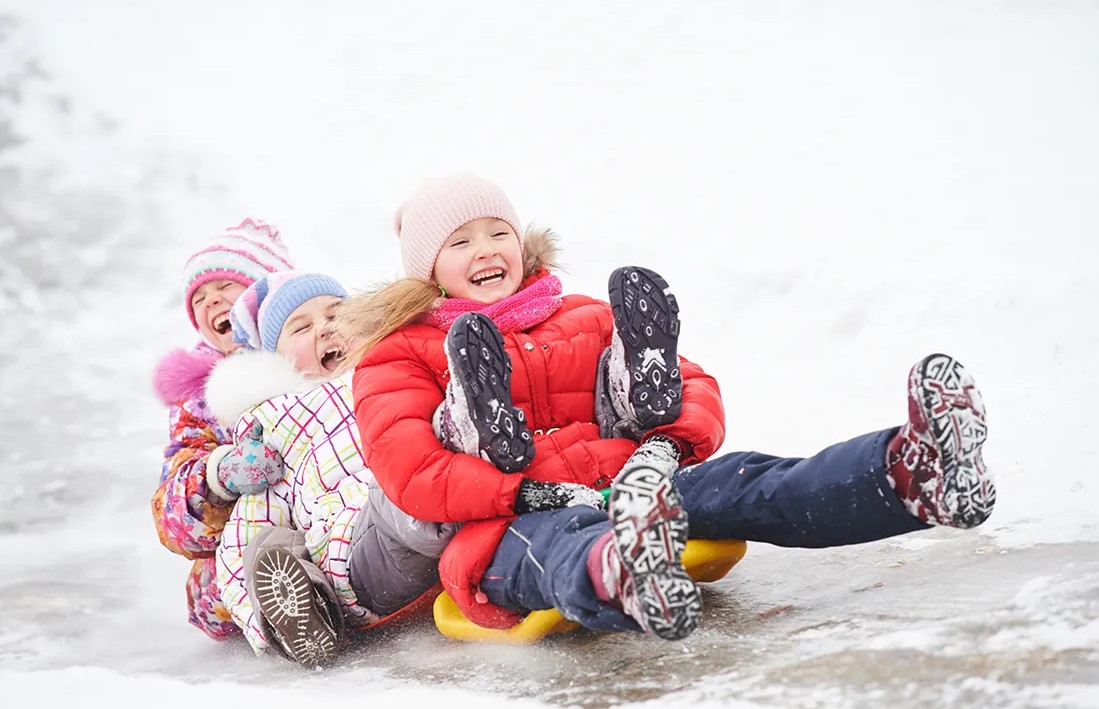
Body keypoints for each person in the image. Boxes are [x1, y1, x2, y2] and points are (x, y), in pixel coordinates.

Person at [346, 173, 997, 641]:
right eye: (460, 242)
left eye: (498, 231)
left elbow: (697, 384)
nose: (487, 248)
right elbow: (410, 471)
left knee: (745, 479)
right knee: (558, 544)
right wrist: (527, 493)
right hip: (503, 523)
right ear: (427, 271)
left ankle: (913, 474)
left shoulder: (584, 317)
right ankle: (624, 566)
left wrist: (663, 446)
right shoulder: (399, 354)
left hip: (634, 483)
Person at [208, 271, 457, 666]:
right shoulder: (274, 430)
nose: (325, 329)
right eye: (301, 327)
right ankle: (301, 615)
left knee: (439, 443)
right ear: (276, 362)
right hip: (357, 558)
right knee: (267, 547)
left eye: (337, 314)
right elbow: (240, 544)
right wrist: (261, 628)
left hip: (430, 486)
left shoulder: (398, 372)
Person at [151, 218, 293, 639]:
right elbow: (170, 517)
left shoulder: (315, 352)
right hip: (247, 541)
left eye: (226, 287)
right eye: (199, 298)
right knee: (225, 576)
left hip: (327, 513)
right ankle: (286, 607)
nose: (212, 302)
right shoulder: (199, 402)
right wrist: (218, 477)